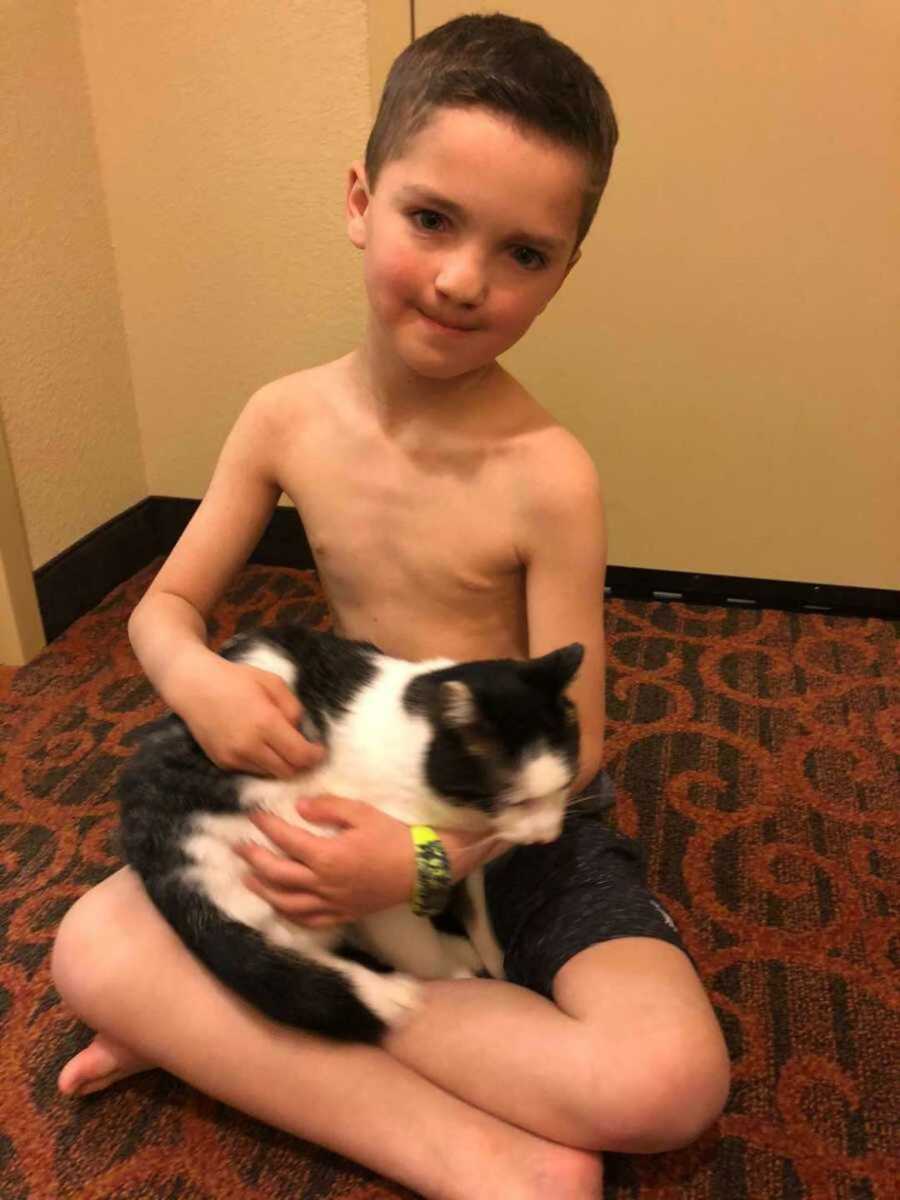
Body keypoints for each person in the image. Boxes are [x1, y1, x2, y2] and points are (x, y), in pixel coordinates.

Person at [51, 14, 729, 1200]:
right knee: (89, 946)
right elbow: (163, 606)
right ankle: (463, 1149)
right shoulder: (283, 419)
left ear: (566, 269)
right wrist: (198, 678)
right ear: (362, 198)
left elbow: (577, 753)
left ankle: (229, 1021)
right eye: (431, 220)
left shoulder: (548, 473)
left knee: (672, 1082)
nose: (466, 280)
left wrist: (416, 867)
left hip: (504, 822)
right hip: (333, 786)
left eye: (525, 254)